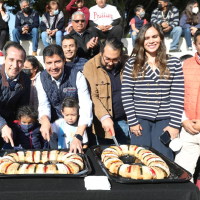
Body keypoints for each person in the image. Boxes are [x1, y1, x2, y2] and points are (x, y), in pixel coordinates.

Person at [121, 23, 184, 160]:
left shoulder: (173, 63)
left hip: (164, 122)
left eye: (154, 36)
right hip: (140, 121)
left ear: (160, 38)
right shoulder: (132, 63)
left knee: (163, 161)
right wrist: (132, 121)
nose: (151, 41)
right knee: (140, 160)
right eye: (146, 37)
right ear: (141, 41)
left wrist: (174, 125)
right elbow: (126, 94)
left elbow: (177, 95)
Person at [35, 44, 92, 153]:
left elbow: (86, 106)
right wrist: (45, 120)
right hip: (55, 126)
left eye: (57, 61)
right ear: (44, 63)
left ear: (64, 60)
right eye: (49, 63)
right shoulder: (40, 78)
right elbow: (43, 103)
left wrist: (78, 136)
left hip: (77, 126)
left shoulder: (77, 76)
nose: (53, 67)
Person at [83, 37, 129, 145]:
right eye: (107, 59)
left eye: (116, 59)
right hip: (103, 125)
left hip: (125, 121)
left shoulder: (128, 62)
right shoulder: (90, 66)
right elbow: (92, 96)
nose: (111, 63)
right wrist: (105, 117)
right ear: (101, 53)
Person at [174, 30, 200, 181]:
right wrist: (183, 120)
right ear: (195, 45)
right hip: (188, 129)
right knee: (182, 176)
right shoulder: (184, 65)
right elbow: (176, 96)